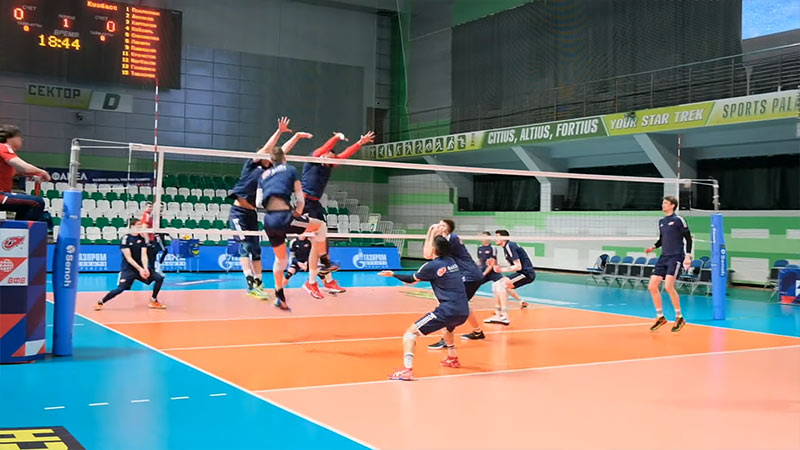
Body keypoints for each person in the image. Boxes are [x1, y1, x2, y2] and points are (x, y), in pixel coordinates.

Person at [283, 130, 376, 296]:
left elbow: (345, 155)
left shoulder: (329, 165)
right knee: (315, 242)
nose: (332, 160)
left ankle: (326, 279)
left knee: (323, 241)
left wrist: (360, 143)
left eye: (334, 158)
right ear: (323, 155)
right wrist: (337, 137)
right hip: (303, 203)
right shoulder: (313, 159)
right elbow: (324, 148)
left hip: (315, 204)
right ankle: (312, 281)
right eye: (329, 156)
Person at [228, 117, 308, 300]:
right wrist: (279, 131)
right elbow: (266, 149)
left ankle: (258, 285)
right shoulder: (252, 164)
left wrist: (296, 137)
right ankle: (250, 283)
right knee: (245, 246)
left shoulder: (270, 171)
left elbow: (283, 151)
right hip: (238, 212)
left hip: (251, 213)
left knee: (256, 250)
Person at [379, 236, 469, 381]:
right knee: (447, 329)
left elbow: (411, 279)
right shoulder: (451, 262)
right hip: (463, 310)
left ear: (433, 250)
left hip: (448, 310)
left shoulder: (431, 266)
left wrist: (393, 274)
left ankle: (407, 370)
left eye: (427, 245)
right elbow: (421, 279)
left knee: (410, 334)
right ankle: (452, 358)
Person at [257, 146, 328, 310]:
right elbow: (300, 199)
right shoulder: (290, 170)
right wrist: (296, 213)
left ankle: (279, 295)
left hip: (269, 220)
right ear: (284, 158)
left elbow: (258, 203)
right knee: (321, 226)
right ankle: (324, 263)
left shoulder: (263, 175)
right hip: (285, 217)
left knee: (280, 260)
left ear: (271, 161)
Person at [425, 219, 487, 347]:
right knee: (462, 304)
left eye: (441, 225)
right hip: (470, 275)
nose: (438, 225)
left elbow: (428, 254)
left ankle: (446, 339)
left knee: (451, 306)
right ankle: (477, 331)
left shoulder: (451, 239)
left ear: (446, 230)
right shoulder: (445, 239)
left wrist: (431, 232)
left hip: (469, 276)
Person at [95, 219, 166, 310]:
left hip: (140, 268)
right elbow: (129, 258)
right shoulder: (126, 239)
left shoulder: (142, 239)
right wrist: (140, 269)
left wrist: (145, 268)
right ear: (132, 226)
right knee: (120, 289)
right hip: (128, 269)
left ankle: (153, 300)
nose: (140, 227)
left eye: (141, 225)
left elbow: (144, 255)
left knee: (159, 278)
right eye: (138, 225)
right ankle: (101, 301)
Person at [645, 196, 692, 333]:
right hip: (663, 257)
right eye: (663, 203)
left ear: (672, 205)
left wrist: (687, 256)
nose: (663, 205)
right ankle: (660, 316)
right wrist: (653, 247)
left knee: (668, 286)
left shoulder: (679, 220)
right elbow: (662, 239)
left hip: (676, 256)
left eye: (665, 203)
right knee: (652, 286)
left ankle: (679, 317)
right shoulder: (662, 221)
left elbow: (688, 238)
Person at [0, 124, 52, 224]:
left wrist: (31, 175)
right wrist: (42, 172)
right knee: (36, 202)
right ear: (11, 138)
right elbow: (23, 167)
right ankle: (25, 235)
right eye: (20, 138)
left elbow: (16, 172)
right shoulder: (4, 147)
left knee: (25, 206)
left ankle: (18, 234)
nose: (22, 141)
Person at [484, 229, 536, 325]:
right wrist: (496, 265)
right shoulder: (506, 247)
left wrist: (501, 270)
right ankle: (498, 314)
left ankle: (504, 315)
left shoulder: (510, 246)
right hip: (520, 272)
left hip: (526, 274)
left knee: (502, 285)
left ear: (504, 238)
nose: (495, 239)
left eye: (497, 237)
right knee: (496, 284)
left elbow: (518, 266)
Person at [140, 201, 168, 273]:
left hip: (154, 238)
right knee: (150, 256)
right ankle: (151, 271)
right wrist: (147, 240)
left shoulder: (152, 216)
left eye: (151, 207)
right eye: (149, 207)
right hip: (150, 239)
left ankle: (152, 271)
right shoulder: (146, 216)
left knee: (153, 255)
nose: (150, 208)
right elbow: (144, 228)